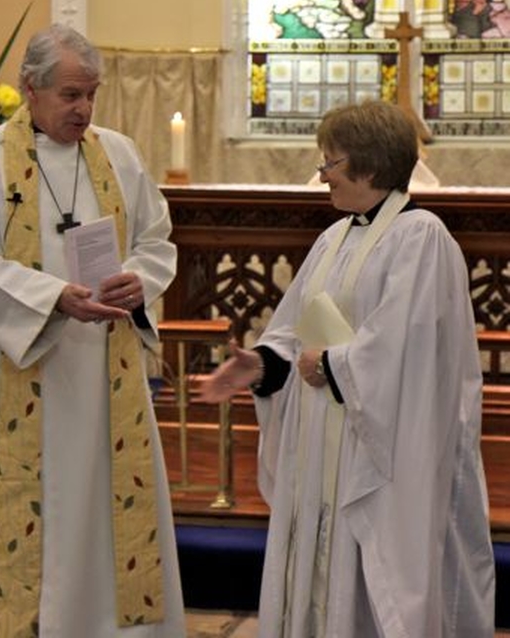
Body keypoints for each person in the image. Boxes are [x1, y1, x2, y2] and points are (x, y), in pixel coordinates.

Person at [201, 99, 495, 637]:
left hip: (377, 455)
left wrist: (335, 365)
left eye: (329, 162)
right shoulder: (333, 238)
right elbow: (296, 328)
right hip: (322, 448)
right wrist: (264, 364)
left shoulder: (422, 237)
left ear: (368, 166)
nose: (322, 176)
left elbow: (406, 348)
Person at [0, 24, 186, 638]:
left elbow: (157, 239)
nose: (84, 110)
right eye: (71, 95)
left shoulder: (119, 154)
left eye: (91, 95)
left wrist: (139, 281)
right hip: (20, 375)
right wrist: (53, 299)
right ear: (31, 89)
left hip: (107, 375)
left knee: (105, 513)